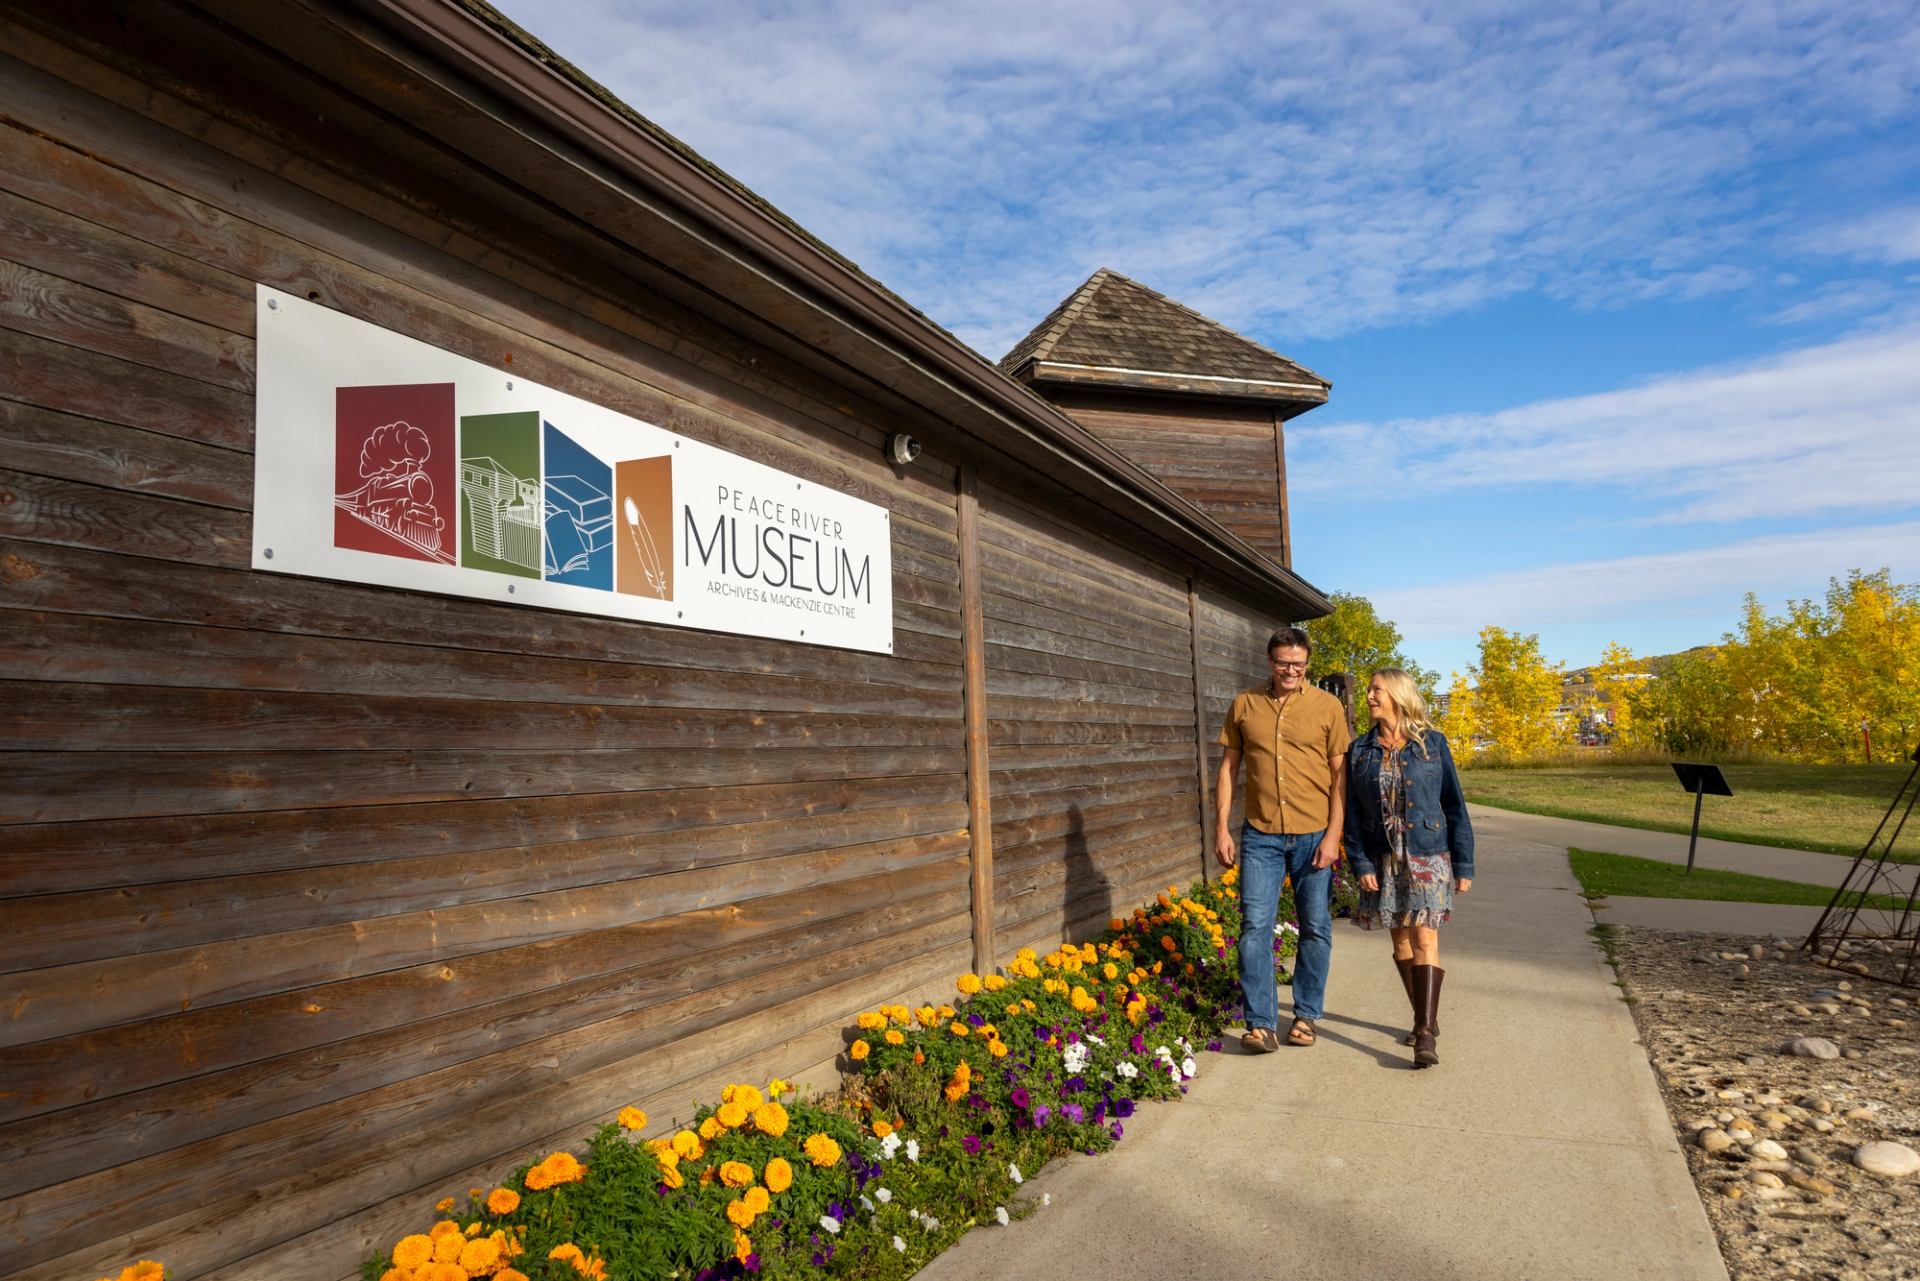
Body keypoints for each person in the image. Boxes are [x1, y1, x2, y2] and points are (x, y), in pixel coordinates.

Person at [1216, 626, 1350, 1052]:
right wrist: (1221, 827)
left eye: (1298, 663)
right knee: (1254, 927)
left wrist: (1334, 835)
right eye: (1282, 662)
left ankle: (1306, 1016)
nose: (1290, 670)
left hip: (1314, 834)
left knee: (1315, 927)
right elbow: (1228, 770)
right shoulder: (1245, 705)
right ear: (1269, 661)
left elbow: (1339, 777)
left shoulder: (1328, 707)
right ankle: (1260, 1024)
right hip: (1261, 835)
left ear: (1307, 663)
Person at [1342, 668, 1474, 1068]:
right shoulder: (1361, 749)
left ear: (1398, 694)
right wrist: (1360, 860)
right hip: (1383, 858)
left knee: (1425, 941)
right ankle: (1424, 1019)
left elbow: (1454, 805)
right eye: (1368, 690)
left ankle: (1425, 1034)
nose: (1368, 696)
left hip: (1427, 855)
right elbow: (1351, 812)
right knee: (1400, 943)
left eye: (1376, 689)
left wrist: (1464, 862)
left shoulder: (1432, 744)